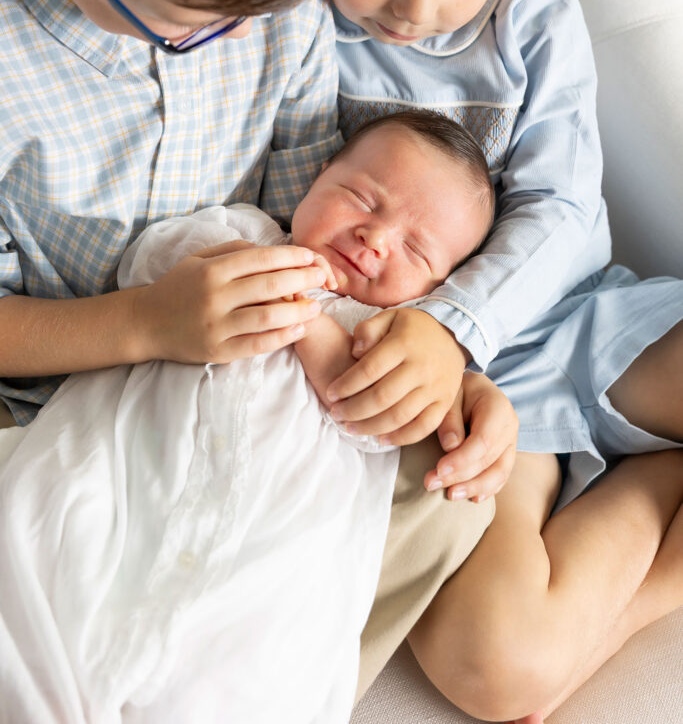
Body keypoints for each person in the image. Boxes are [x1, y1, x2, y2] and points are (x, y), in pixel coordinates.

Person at [0, 0, 507, 701]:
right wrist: (140, 323)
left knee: (450, 492)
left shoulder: (275, 11)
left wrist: (434, 359)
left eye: (267, 4)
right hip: (51, 381)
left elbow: (315, 230)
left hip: (254, 380)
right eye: (197, 23)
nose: (246, 33)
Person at [326, 0, 683, 720]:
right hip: (468, 413)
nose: (414, 9)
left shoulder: (529, 10)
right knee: (497, 664)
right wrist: (428, 344)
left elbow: (569, 213)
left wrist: (455, 321)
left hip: (564, 322)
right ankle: (650, 521)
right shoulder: (288, 22)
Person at [0, 110, 514, 724]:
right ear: (316, 179)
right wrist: (312, 324)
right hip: (123, 480)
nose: (375, 239)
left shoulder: (393, 343)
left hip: (257, 562)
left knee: (242, 678)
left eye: (415, 249)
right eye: (360, 198)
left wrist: (457, 377)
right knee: (35, 577)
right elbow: (153, 261)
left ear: (441, 288)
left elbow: (382, 423)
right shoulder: (239, 234)